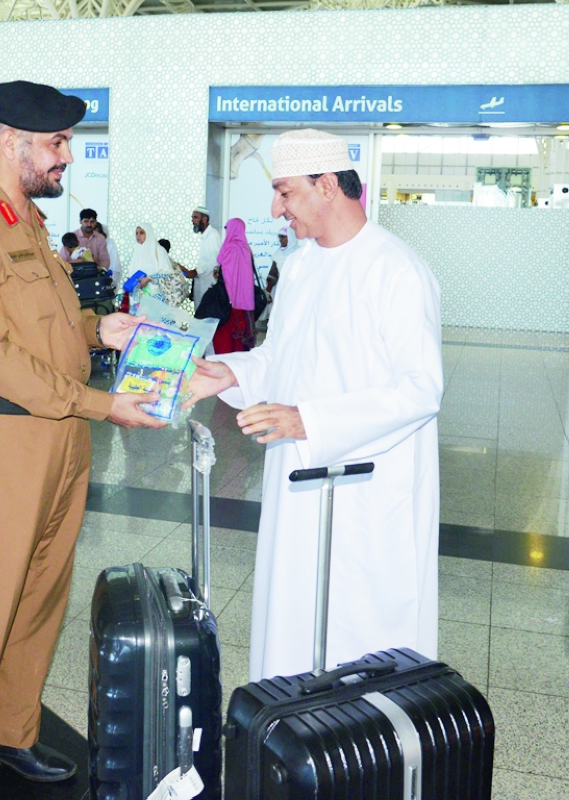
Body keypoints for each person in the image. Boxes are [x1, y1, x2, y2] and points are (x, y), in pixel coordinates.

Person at [0, 80, 165, 800]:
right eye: (56, 144)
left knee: (35, 600)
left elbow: (47, 328)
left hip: (54, 437)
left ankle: (6, 736)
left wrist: (99, 330)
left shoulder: (21, 219)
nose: (67, 157)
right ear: (13, 142)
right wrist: (101, 404)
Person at [184, 129, 443, 683]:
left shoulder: (396, 269)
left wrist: (312, 421)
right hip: (298, 477)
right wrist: (226, 373)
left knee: (363, 640)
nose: (276, 209)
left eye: (285, 192)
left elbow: (421, 388)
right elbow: (282, 357)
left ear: (327, 186)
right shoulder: (300, 267)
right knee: (296, 621)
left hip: (369, 490)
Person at [122, 223, 191, 313]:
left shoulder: (159, 250)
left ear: (148, 233)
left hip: (156, 295)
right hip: (139, 298)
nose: (138, 235)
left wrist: (149, 278)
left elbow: (168, 273)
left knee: (156, 325)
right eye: (136, 233)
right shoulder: (137, 252)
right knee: (141, 325)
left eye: (141, 233)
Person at [211, 217, 256, 354]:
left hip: (227, 304)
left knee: (224, 342)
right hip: (244, 306)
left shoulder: (229, 248)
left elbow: (221, 265)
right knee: (239, 345)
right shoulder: (246, 249)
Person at [180, 206, 223, 309]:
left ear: (204, 219)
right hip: (201, 284)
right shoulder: (205, 236)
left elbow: (215, 262)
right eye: (192, 217)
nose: (192, 220)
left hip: (209, 285)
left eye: (195, 217)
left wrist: (196, 271)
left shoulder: (213, 235)